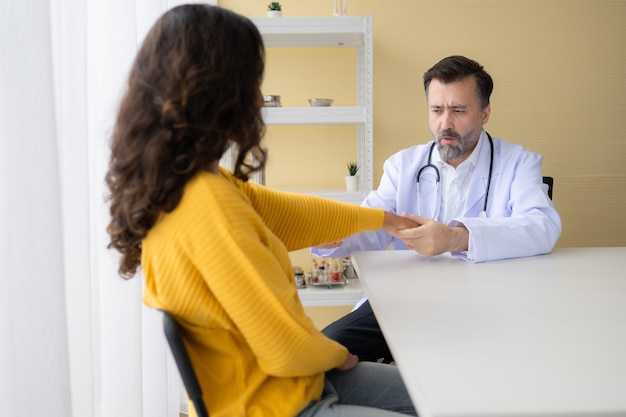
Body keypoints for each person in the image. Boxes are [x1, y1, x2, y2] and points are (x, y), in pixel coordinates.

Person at [105, 5, 418, 417]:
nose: (257, 98)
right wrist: (338, 354)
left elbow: (289, 215)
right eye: (252, 81)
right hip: (274, 405)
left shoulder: (195, 183)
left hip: (293, 386)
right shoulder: (207, 205)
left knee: (439, 396)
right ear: (220, 92)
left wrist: (383, 219)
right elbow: (287, 349)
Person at [313, 55, 562, 363]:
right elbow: (371, 226)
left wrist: (455, 238)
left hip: (491, 302)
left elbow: (543, 226)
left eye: (458, 110)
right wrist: (333, 235)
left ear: (485, 113)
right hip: (406, 300)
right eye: (436, 110)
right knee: (326, 352)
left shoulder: (518, 163)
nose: (445, 123)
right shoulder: (403, 165)